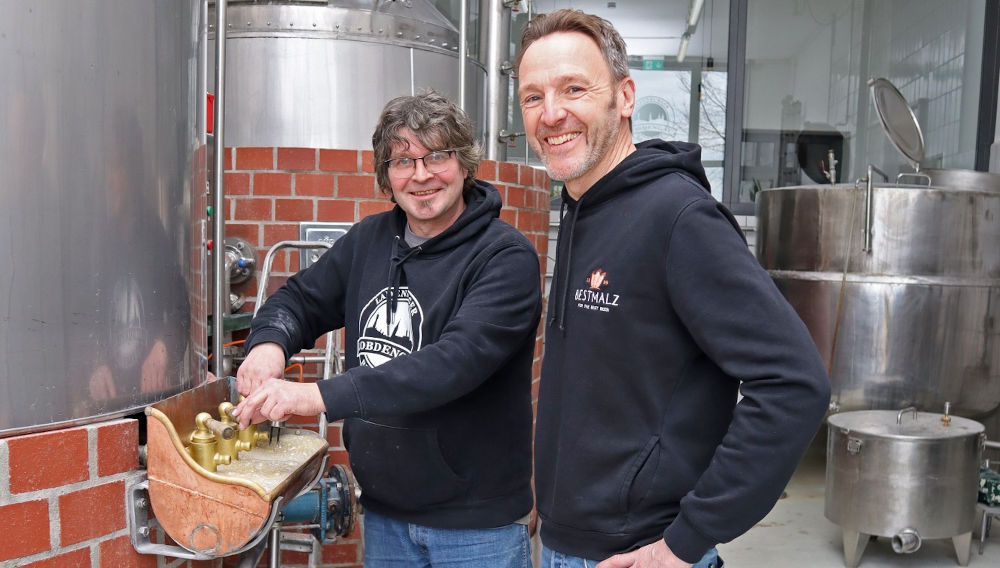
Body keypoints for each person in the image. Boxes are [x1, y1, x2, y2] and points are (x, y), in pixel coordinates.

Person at [515, 9, 831, 568]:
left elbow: (794, 384)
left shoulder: (679, 219)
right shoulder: (581, 208)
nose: (551, 113)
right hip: (569, 541)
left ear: (625, 96)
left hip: (641, 552)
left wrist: (687, 539)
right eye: (532, 97)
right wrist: (552, 487)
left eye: (573, 89)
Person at [231, 90, 542, 567]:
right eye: (402, 161)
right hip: (386, 515)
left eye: (436, 156)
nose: (420, 175)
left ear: (463, 163)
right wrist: (269, 345)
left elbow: (451, 364)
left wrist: (315, 397)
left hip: (477, 526)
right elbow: (299, 299)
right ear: (386, 175)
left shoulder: (505, 257)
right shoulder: (369, 241)